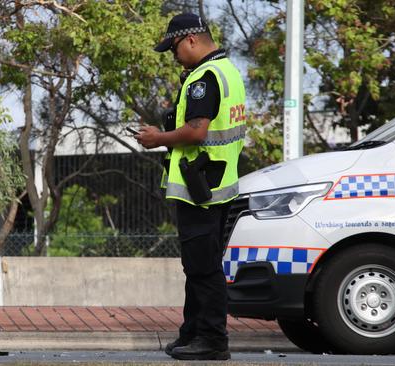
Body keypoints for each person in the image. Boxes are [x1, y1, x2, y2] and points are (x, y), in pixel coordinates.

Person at [135, 13, 246, 361]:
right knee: (198, 264)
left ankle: (213, 339)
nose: (173, 56)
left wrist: (158, 139)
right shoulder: (228, 71)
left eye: (174, 48)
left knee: (204, 267)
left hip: (202, 189)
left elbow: (197, 131)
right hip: (220, 182)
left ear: (192, 40)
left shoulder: (204, 78)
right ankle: (192, 333)